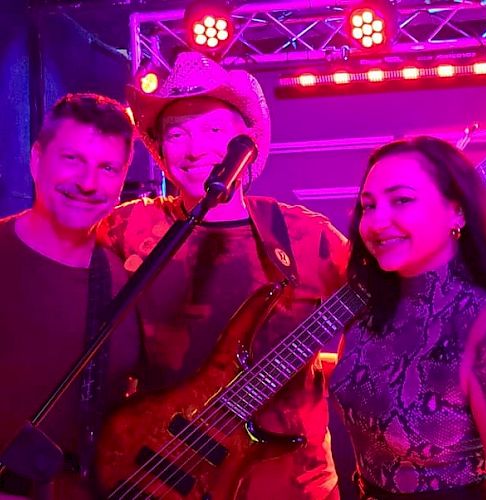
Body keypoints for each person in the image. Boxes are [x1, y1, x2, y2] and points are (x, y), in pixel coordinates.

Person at [97, 50, 349, 499]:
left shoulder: (305, 235)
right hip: (162, 476)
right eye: (178, 134)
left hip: (294, 487)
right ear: (160, 148)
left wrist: (335, 372)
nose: (196, 149)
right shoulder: (126, 228)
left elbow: (384, 308)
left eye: (214, 130)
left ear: (243, 145)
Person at [329, 136, 486, 499]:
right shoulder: (363, 312)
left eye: (402, 200)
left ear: (457, 211)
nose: (377, 222)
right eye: (368, 206)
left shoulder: (485, 325)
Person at [0, 93, 141, 499]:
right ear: (36, 159)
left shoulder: (123, 285)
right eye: (73, 159)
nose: (88, 182)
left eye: (107, 167)